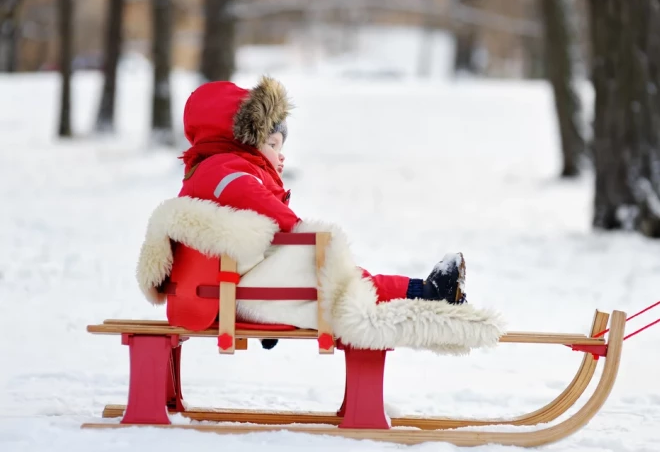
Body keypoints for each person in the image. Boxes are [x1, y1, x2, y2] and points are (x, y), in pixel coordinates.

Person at [169, 76, 468, 349]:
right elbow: (258, 203)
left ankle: (423, 292)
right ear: (243, 139)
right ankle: (425, 294)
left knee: (340, 275)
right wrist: (299, 231)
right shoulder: (227, 172)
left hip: (236, 286)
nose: (280, 154)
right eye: (272, 144)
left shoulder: (211, 171)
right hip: (234, 293)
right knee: (340, 277)